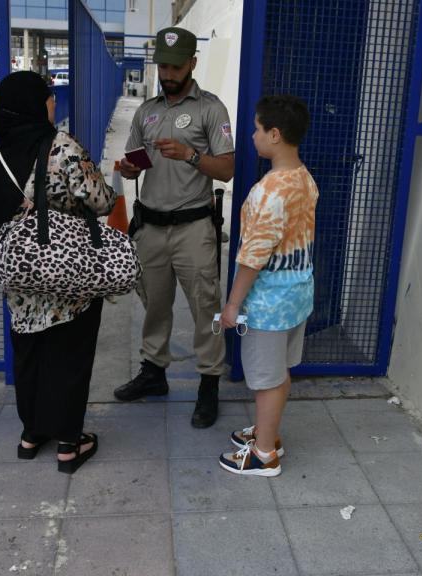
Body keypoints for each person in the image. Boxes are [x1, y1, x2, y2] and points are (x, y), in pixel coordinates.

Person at [0, 71, 116, 474]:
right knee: (70, 357)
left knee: (30, 355)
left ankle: (31, 434)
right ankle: (69, 445)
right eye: (49, 97)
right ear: (36, 103)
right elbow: (102, 201)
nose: (54, 103)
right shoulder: (62, 147)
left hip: (22, 278)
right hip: (68, 275)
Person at [113, 26, 235, 429]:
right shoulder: (147, 110)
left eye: (175, 67)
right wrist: (129, 167)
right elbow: (134, 158)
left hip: (193, 228)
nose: (167, 74)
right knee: (154, 305)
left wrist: (190, 154)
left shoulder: (210, 109)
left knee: (205, 307)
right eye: (162, 66)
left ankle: (209, 384)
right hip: (150, 225)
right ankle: (153, 373)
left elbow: (228, 169)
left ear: (192, 64)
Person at [218, 95, 317, 476]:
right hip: (297, 296)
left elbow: (252, 257)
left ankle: (263, 454)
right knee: (280, 373)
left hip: (268, 306)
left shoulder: (268, 192)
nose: (253, 135)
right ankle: (267, 433)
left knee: (267, 380)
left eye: (258, 129)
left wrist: (232, 305)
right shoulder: (304, 179)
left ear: (275, 134)